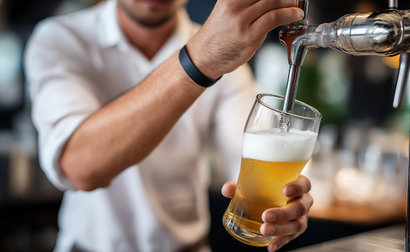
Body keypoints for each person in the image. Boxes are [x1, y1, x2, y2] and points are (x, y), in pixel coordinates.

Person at [24, 0, 313, 251]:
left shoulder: (227, 51)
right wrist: (199, 60)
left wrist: (288, 201)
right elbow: (79, 167)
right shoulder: (62, 38)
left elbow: (251, 157)